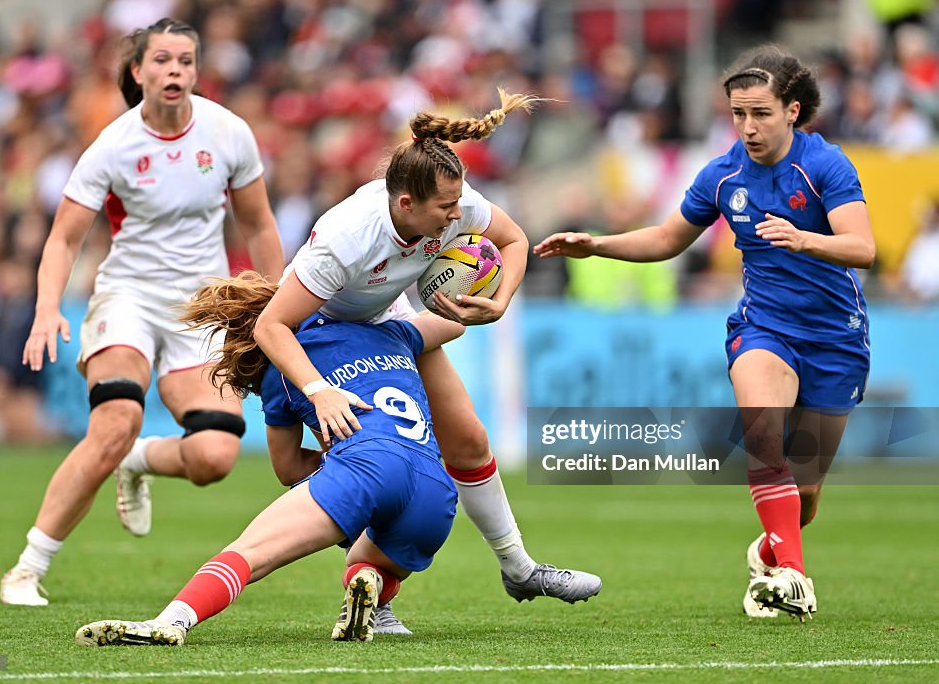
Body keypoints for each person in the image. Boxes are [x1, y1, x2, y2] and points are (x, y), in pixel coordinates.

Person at [535, 46, 875, 620]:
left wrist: (804, 238)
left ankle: (770, 548)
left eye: (760, 114)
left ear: (792, 111)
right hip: (764, 327)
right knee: (763, 434)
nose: (748, 127)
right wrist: (598, 245)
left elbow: (863, 247)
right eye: (738, 114)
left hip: (835, 339)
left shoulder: (826, 167)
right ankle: (792, 574)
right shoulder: (723, 176)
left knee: (807, 494)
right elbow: (667, 239)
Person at [251, 89, 602, 611]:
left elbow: (515, 241)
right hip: (321, 332)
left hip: (387, 322)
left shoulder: (454, 205)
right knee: (303, 469)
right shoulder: (348, 236)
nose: (458, 215)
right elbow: (272, 325)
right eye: (447, 207)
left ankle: (518, 569)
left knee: (467, 439)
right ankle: (372, 564)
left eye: (459, 202)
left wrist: (501, 299)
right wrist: (318, 390)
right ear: (405, 203)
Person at [0, 18, 284, 607]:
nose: (173, 70)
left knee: (214, 456)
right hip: (127, 295)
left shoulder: (228, 132)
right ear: (138, 72)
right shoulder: (113, 145)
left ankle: (137, 462)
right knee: (115, 419)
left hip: (200, 307)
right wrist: (47, 308)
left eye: (184, 60)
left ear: (197, 71)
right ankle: (26, 569)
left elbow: (257, 223)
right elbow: (62, 240)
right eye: (161, 60)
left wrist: (274, 302)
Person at [74, 272, 463, 645]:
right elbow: (453, 325)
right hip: (436, 488)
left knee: (250, 553)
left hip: (370, 464)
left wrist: (340, 464)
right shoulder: (389, 330)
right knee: (367, 558)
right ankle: (371, 581)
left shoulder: (282, 371)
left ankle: (171, 621)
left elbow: (288, 468)